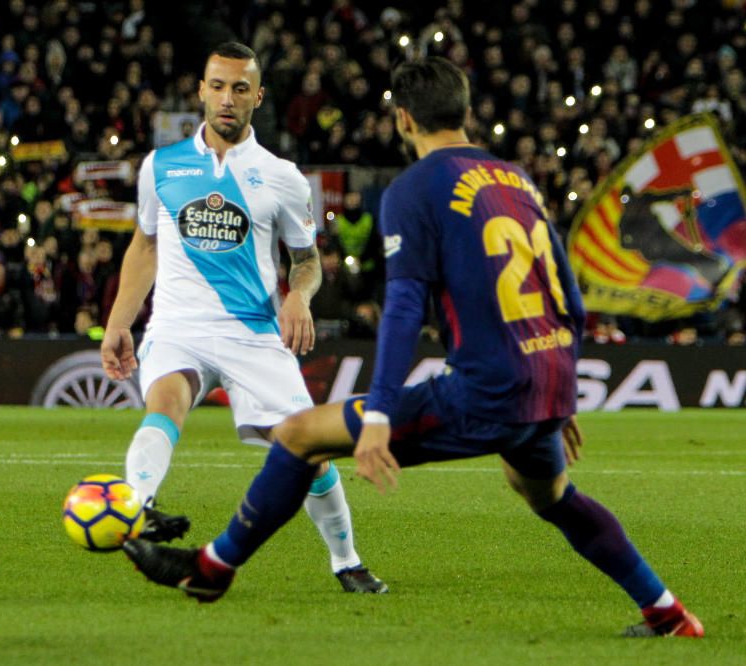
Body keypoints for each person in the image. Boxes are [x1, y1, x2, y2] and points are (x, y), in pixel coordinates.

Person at [121, 57, 704, 638]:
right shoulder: (514, 178)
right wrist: (563, 391)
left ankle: (212, 569)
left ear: (402, 119)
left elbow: (403, 308)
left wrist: (378, 413)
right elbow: (567, 294)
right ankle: (668, 613)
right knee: (548, 493)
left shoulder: (413, 189)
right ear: (467, 112)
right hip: (545, 376)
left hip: (485, 385)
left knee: (301, 436)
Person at [100, 42, 386, 593]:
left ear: (258, 96)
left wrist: (298, 297)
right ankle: (138, 507)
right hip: (178, 326)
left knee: (309, 450)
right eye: (217, 86)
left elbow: (306, 263)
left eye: (239, 88)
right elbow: (144, 247)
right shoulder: (161, 166)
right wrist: (119, 321)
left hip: (253, 333)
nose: (226, 99)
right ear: (200, 92)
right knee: (165, 403)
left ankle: (346, 561)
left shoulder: (282, 177)